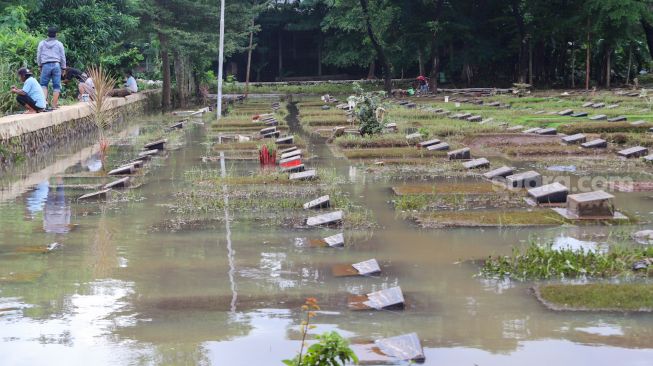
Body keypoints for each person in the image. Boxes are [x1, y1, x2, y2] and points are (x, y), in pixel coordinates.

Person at [36, 26, 66, 109]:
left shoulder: (42, 43)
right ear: (56, 34)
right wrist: (63, 68)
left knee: (43, 85)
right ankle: (54, 105)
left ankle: (44, 104)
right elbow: (63, 57)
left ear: (47, 34)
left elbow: (38, 55)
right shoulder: (59, 44)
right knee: (56, 86)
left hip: (45, 65)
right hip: (56, 65)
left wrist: (39, 65)